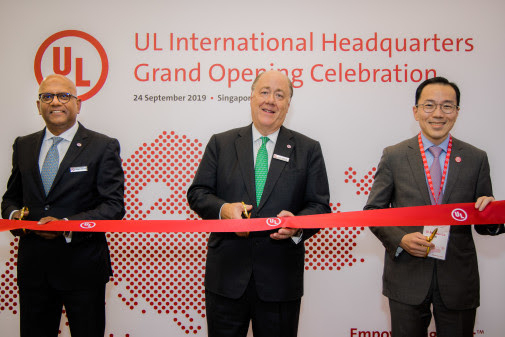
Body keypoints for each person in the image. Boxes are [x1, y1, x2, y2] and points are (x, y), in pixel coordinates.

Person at [187, 70, 330, 337]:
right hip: (227, 279)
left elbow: (319, 206)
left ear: (289, 104)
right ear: (252, 97)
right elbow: (198, 193)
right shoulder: (222, 143)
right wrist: (224, 210)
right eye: (264, 92)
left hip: (280, 281)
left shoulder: (308, 148)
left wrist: (297, 227)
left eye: (280, 95)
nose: (271, 100)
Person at [364, 76, 503, 337]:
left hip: (458, 281)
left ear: (457, 112)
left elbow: (487, 224)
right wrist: (401, 238)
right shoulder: (394, 155)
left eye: (447, 106)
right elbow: (373, 212)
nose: (438, 114)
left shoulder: (476, 158)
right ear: (416, 111)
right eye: (429, 106)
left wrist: (493, 212)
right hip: (407, 277)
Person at [1, 74, 125, 337]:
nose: (55, 102)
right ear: (38, 106)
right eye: (47, 96)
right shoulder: (23, 145)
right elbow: (10, 199)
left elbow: (113, 206)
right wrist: (19, 220)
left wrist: (67, 226)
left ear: (77, 104)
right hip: (34, 269)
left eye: (63, 96)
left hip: (83, 269)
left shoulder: (102, 146)